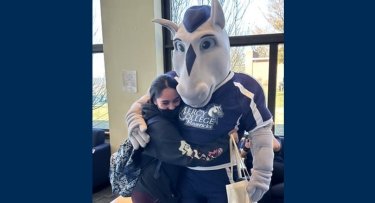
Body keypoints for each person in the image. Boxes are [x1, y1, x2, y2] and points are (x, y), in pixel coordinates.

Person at [126, 1, 274, 202]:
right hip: (185, 176)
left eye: (206, 43)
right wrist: (133, 115)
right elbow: (147, 101)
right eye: (180, 46)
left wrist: (262, 174)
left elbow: (261, 133)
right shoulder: (172, 81)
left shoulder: (244, 90)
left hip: (224, 178)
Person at [131, 74, 231, 203]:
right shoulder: (159, 128)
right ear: (154, 100)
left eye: (176, 100)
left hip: (162, 187)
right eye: (165, 103)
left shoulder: (166, 116)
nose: (172, 106)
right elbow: (192, 156)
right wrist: (225, 141)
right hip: (152, 193)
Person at [240, 135, 284, 203]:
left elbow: (277, 146)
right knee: (262, 181)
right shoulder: (248, 138)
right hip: (256, 169)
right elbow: (241, 155)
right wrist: (246, 147)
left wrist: (262, 140)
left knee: (263, 168)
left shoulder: (271, 136)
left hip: (274, 165)